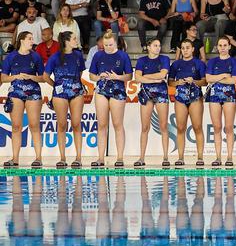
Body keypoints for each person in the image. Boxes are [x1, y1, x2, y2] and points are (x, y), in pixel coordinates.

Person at [88, 31, 132, 168]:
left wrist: (117, 77)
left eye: (110, 45)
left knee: (117, 124)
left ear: (115, 43)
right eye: (105, 45)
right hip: (101, 89)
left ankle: (119, 157)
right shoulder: (98, 55)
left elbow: (129, 76)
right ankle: (100, 157)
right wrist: (99, 77)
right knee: (101, 124)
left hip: (117, 89)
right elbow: (91, 75)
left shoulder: (123, 56)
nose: (108, 47)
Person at [42, 31, 86, 168]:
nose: (76, 40)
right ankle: (62, 158)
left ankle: (78, 157)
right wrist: (56, 85)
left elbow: (79, 73)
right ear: (66, 41)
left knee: (76, 124)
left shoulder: (78, 55)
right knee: (61, 125)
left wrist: (74, 85)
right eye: (73, 38)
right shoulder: (55, 57)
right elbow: (45, 76)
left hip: (76, 91)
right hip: (60, 94)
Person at [1, 32, 44, 167]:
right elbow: (3, 78)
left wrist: (31, 77)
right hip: (16, 92)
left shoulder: (36, 56)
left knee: (34, 125)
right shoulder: (11, 57)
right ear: (22, 41)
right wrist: (16, 76)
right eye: (30, 39)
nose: (33, 41)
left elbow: (42, 77)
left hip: (33, 92)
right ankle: (15, 159)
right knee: (16, 126)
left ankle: (38, 158)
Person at [133, 39, 171, 168]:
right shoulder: (142, 60)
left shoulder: (164, 59)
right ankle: (141, 157)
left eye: (159, 45)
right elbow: (137, 78)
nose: (158, 48)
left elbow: (163, 74)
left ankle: (165, 157)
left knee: (163, 126)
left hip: (161, 92)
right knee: (145, 127)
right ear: (148, 47)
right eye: (155, 45)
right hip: (146, 93)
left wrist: (146, 77)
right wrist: (155, 78)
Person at [169, 40, 207, 166]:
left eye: (187, 48)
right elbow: (170, 82)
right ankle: (180, 157)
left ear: (192, 49)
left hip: (195, 97)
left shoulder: (199, 63)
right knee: (180, 128)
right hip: (180, 97)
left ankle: (200, 157)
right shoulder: (175, 64)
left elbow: (205, 82)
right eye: (183, 48)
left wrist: (194, 81)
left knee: (197, 127)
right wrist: (178, 83)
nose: (185, 50)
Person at [205, 36, 236, 167]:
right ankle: (218, 157)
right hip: (214, 96)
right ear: (217, 47)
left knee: (229, 127)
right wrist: (223, 75)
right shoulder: (212, 62)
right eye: (220, 45)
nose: (222, 48)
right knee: (217, 127)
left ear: (229, 46)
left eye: (225, 45)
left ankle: (229, 157)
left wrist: (216, 79)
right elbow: (208, 78)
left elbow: (233, 80)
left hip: (229, 96)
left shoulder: (234, 62)